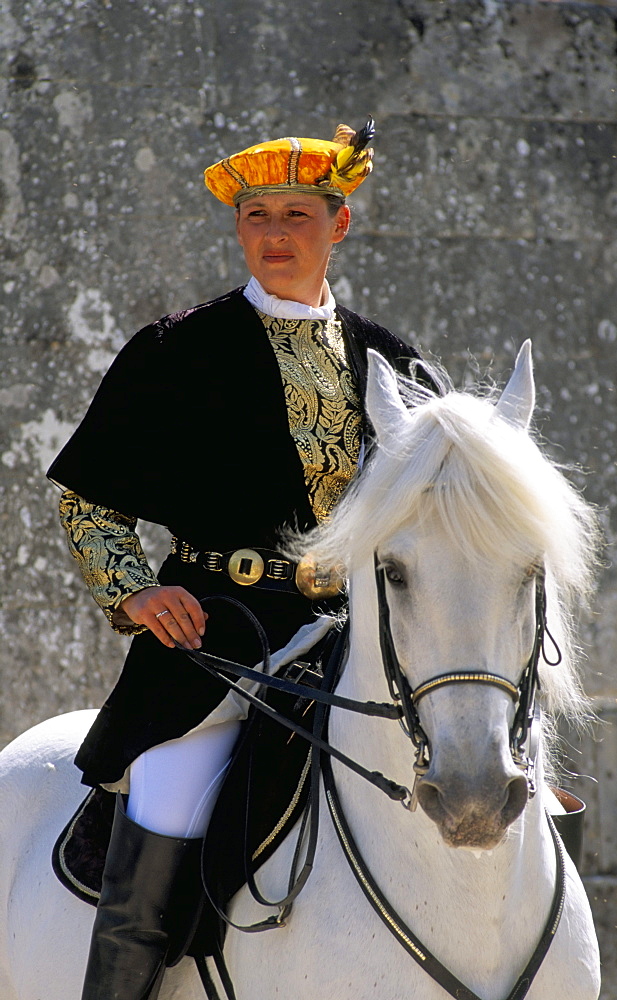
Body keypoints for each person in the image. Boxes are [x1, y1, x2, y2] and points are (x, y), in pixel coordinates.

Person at [48, 119, 427, 1000]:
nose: (275, 234)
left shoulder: (397, 363)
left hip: (363, 641)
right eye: (257, 215)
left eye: (298, 214)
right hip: (220, 643)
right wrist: (136, 590)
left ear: (339, 225)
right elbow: (87, 494)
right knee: (170, 796)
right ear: (238, 228)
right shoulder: (174, 352)